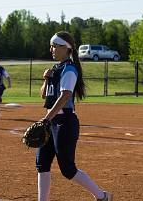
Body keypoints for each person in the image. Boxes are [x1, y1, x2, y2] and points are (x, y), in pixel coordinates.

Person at [36, 31, 113, 201]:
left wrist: (47, 119)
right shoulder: (55, 69)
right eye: (51, 46)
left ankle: (101, 196)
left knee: (68, 169)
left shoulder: (69, 69)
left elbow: (65, 96)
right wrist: (46, 79)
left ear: (66, 48)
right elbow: (44, 95)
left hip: (64, 123)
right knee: (42, 164)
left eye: (55, 46)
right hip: (51, 121)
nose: (51, 49)